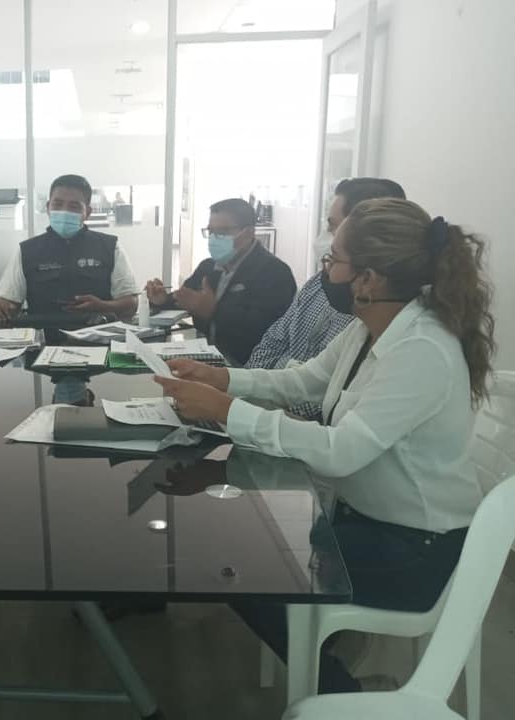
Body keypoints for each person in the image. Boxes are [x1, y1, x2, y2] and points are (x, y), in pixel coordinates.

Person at [154, 198, 495, 692]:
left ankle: (341, 695)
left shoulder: (420, 349)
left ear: (369, 279)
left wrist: (226, 410)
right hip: (361, 519)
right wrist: (222, 378)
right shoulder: (370, 329)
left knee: (244, 574)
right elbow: (302, 381)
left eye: (333, 259)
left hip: (414, 549)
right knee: (242, 546)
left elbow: (341, 451)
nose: (324, 272)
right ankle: (319, 657)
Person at [244, 178, 407, 420]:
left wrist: (237, 409)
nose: (324, 238)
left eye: (332, 227)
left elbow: (323, 408)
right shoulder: (320, 287)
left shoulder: (373, 315)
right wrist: (233, 388)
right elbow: (276, 347)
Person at [145, 198, 296, 366]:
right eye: (211, 232)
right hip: (206, 356)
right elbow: (185, 299)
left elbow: (267, 329)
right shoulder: (208, 267)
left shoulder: (274, 272)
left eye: (223, 232)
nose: (214, 239)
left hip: (248, 367)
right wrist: (162, 300)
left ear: (248, 233)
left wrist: (214, 311)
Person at [0, 174, 138, 323]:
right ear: (48, 207)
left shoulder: (110, 247)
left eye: (74, 207)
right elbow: (9, 303)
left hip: (96, 333)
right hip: (42, 334)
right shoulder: (27, 251)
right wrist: (2, 310)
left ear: (87, 213)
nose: (64, 211)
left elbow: (131, 304)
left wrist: (102, 306)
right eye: (57, 204)